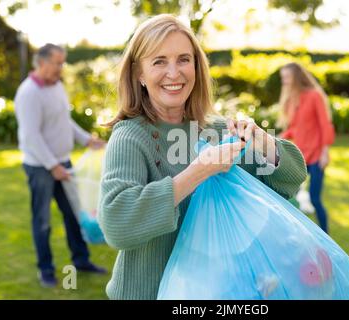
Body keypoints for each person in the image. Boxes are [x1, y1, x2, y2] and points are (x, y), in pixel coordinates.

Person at [98, 14, 308, 300]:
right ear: (139, 73)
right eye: (159, 61)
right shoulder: (131, 136)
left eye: (184, 59)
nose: (174, 73)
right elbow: (116, 223)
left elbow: (291, 180)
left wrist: (262, 140)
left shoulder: (219, 131)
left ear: (197, 66)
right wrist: (199, 171)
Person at [14, 43, 107, 288]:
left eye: (62, 62)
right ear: (42, 63)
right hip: (40, 167)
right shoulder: (28, 93)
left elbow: (64, 121)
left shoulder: (57, 86)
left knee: (75, 215)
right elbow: (31, 136)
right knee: (42, 221)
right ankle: (46, 270)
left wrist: (86, 139)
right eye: (58, 63)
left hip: (62, 162)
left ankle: (81, 260)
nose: (61, 68)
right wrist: (52, 165)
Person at [279, 62, 335, 234]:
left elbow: (325, 124)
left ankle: (325, 234)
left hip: (317, 156)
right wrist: (274, 138)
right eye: (283, 78)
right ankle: (297, 234)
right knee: (291, 197)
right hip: (299, 157)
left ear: (297, 77)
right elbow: (294, 128)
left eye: (288, 77)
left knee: (314, 198)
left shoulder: (314, 96)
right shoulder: (291, 100)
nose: (285, 82)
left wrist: (325, 152)